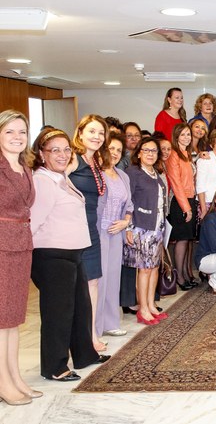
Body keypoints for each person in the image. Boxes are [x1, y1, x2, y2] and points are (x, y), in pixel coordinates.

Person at [30, 128, 110, 383]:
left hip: (74, 252)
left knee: (81, 308)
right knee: (59, 313)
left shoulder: (61, 177)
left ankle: (85, 354)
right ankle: (55, 366)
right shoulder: (42, 181)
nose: (63, 154)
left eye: (66, 149)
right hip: (52, 255)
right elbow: (33, 222)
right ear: (42, 154)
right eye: (55, 150)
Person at [0, 110, 38, 404]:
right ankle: (3, 383)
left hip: (22, 245)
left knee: (14, 318)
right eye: (10, 132)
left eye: (22, 132)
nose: (17, 137)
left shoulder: (24, 166)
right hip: (2, 245)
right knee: (2, 319)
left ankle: (14, 375)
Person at [68, 114, 110, 353]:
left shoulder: (96, 162)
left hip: (91, 228)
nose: (96, 137)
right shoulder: (73, 158)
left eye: (101, 133)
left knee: (93, 281)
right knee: (78, 285)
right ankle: (79, 337)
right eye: (92, 131)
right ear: (80, 133)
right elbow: (56, 184)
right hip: (74, 229)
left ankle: (92, 335)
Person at [124, 137, 169, 325]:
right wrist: (127, 227)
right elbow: (127, 201)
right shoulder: (133, 172)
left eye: (154, 151)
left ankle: (151, 305)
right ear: (139, 152)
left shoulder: (155, 173)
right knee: (144, 269)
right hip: (140, 226)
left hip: (157, 227)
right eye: (147, 150)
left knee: (154, 267)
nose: (151, 154)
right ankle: (142, 309)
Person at [95, 136, 133, 339]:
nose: (116, 153)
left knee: (112, 279)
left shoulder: (122, 176)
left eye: (119, 150)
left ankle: (110, 322)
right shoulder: (96, 174)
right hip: (99, 231)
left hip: (116, 233)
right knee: (98, 280)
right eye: (111, 148)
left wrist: (126, 222)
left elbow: (130, 206)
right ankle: (95, 326)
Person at [165, 123, 199, 291]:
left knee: (187, 240)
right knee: (182, 240)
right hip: (180, 202)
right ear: (176, 136)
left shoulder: (186, 154)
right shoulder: (173, 155)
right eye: (183, 134)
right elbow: (176, 183)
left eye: (188, 134)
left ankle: (185, 274)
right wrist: (186, 207)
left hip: (190, 199)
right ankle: (178, 276)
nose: (187, 137)